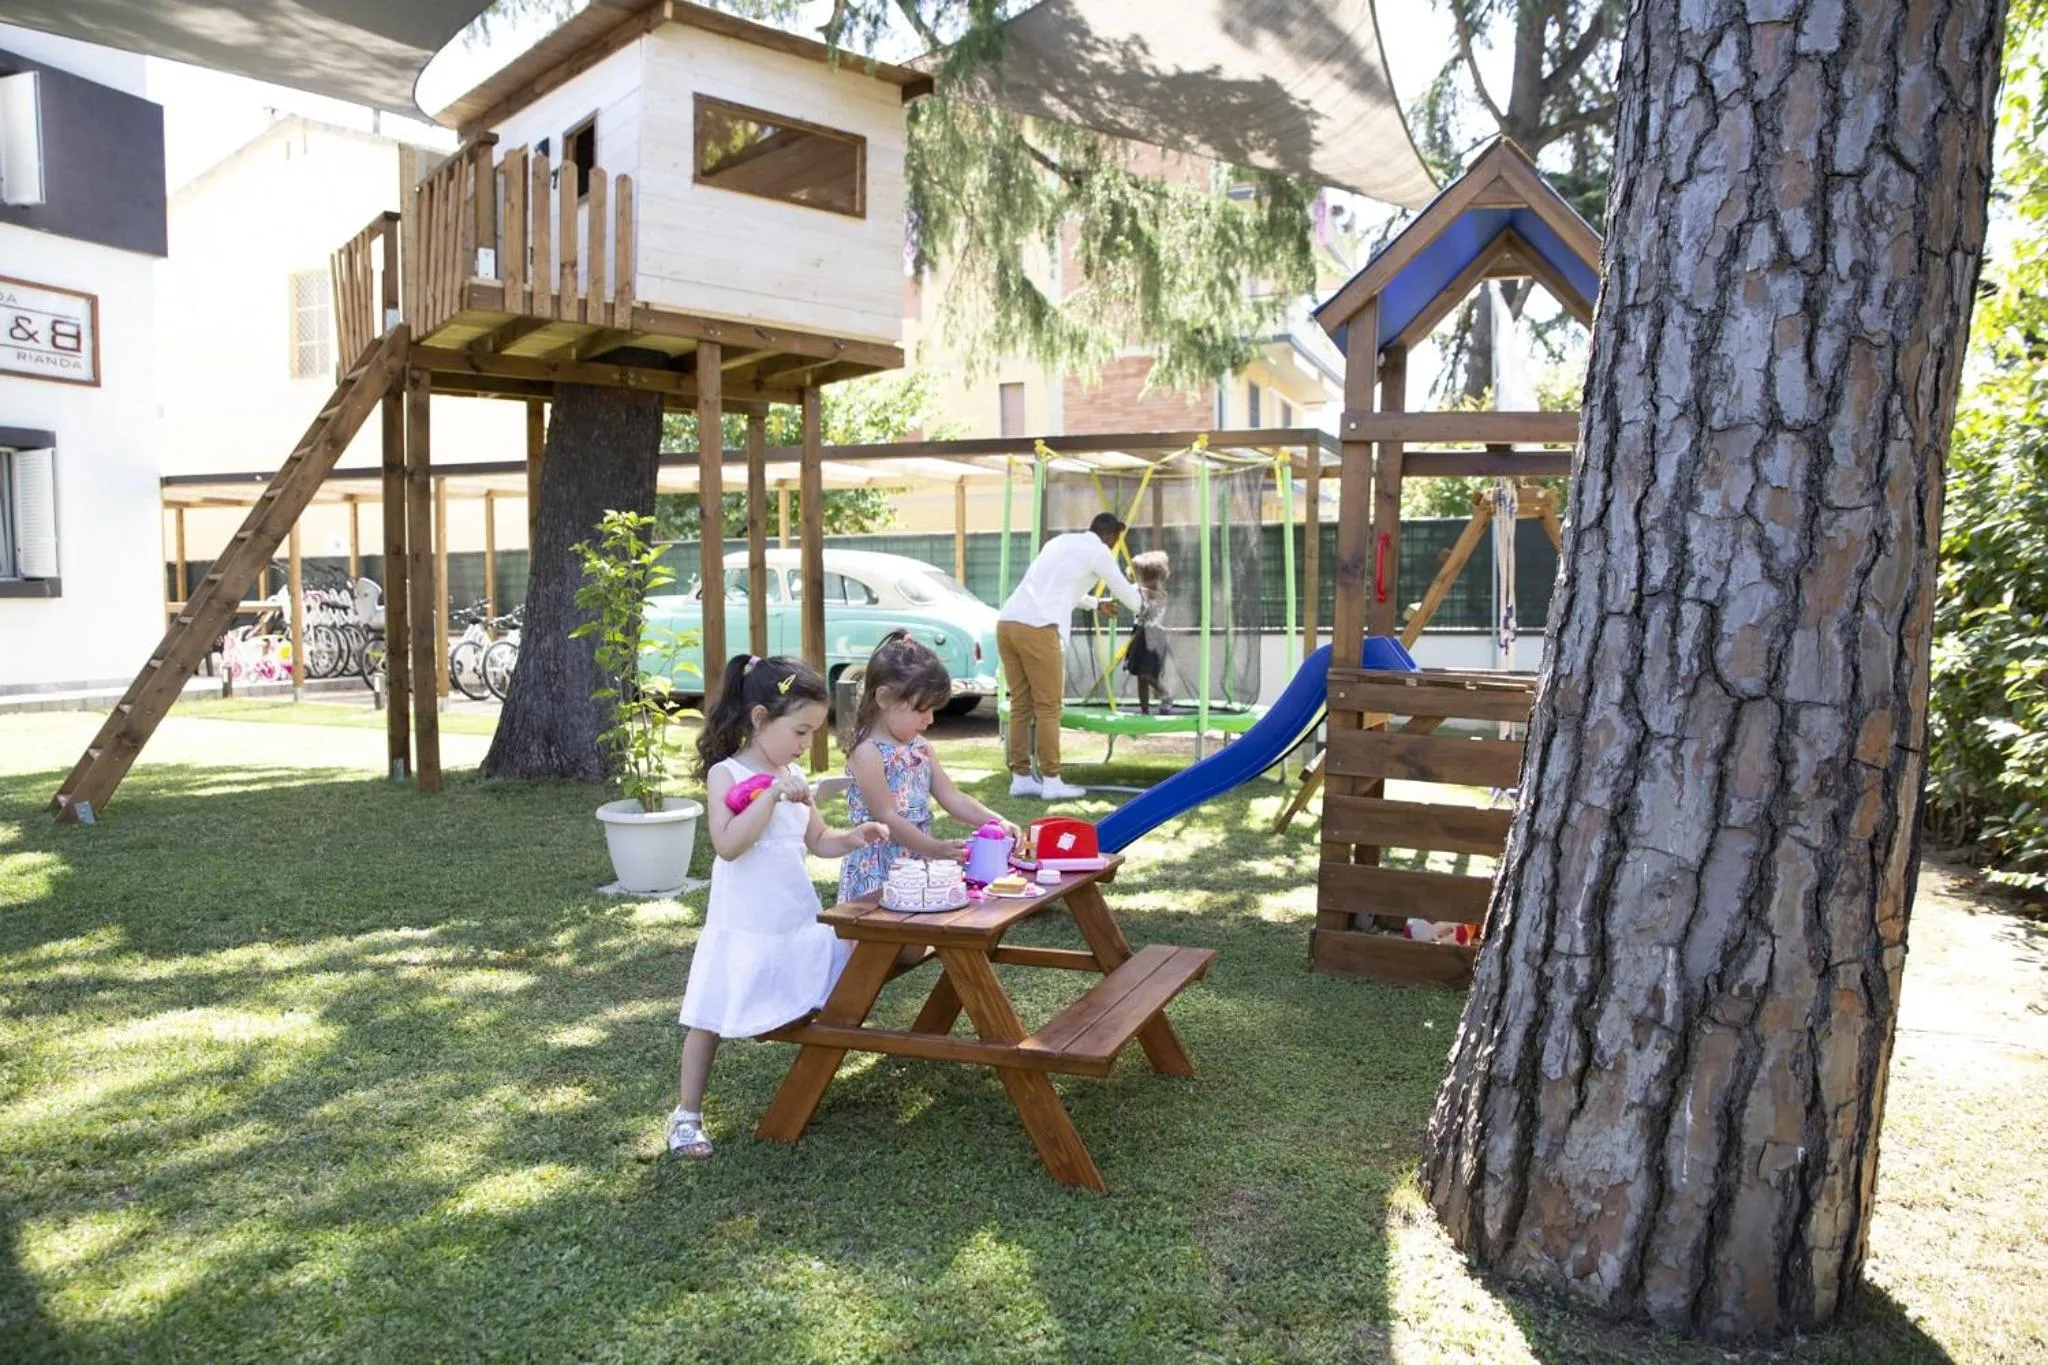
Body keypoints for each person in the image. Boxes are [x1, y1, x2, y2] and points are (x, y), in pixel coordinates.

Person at [665, 654, 889, 1160]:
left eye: (812, 733)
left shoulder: (791, 774)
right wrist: (769, 798)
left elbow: (819, 841)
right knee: (709, 1018)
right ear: (761, 719)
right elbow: (728, 845)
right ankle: (686, 1113)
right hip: (744, 922)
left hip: (794, 916)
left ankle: (811, 1077)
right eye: (801, 731)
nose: (806, 744)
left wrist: (853, 837)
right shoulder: (727, 775)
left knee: (849, 965)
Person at [840, 632, 1022, 902]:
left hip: (917, 864)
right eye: (921, 709)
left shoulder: (920, 747)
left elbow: (952, 796)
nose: (930, 719)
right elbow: (886, 817)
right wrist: (934, 848)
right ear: (884, 698)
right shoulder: (867, 752)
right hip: (877, 870)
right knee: (878, 940)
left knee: (918, 936)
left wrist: (996, 821)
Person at [996, 511, 1142, 799]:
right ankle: (1052, 781)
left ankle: (1021, 777)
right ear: (1111, 536)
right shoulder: (1099, 552)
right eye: (1116, 539)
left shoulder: (1061, 542)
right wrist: (1143, 597)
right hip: (1038, 629)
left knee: (1021, 706)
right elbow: (1129, 597)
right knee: (1049, 707)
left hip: (1008, 623)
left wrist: (1095, 603)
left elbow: (1058, 588)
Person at [1123, 549, 1174, 714]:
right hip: (1139, 635)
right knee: (1140, 675)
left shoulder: (1158, 593)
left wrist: (1133, 587)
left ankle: (1165, 694)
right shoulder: (1138, 590)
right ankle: (1144, 710)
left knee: (1146, 674)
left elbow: (1146, 593)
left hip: (1153, 637)